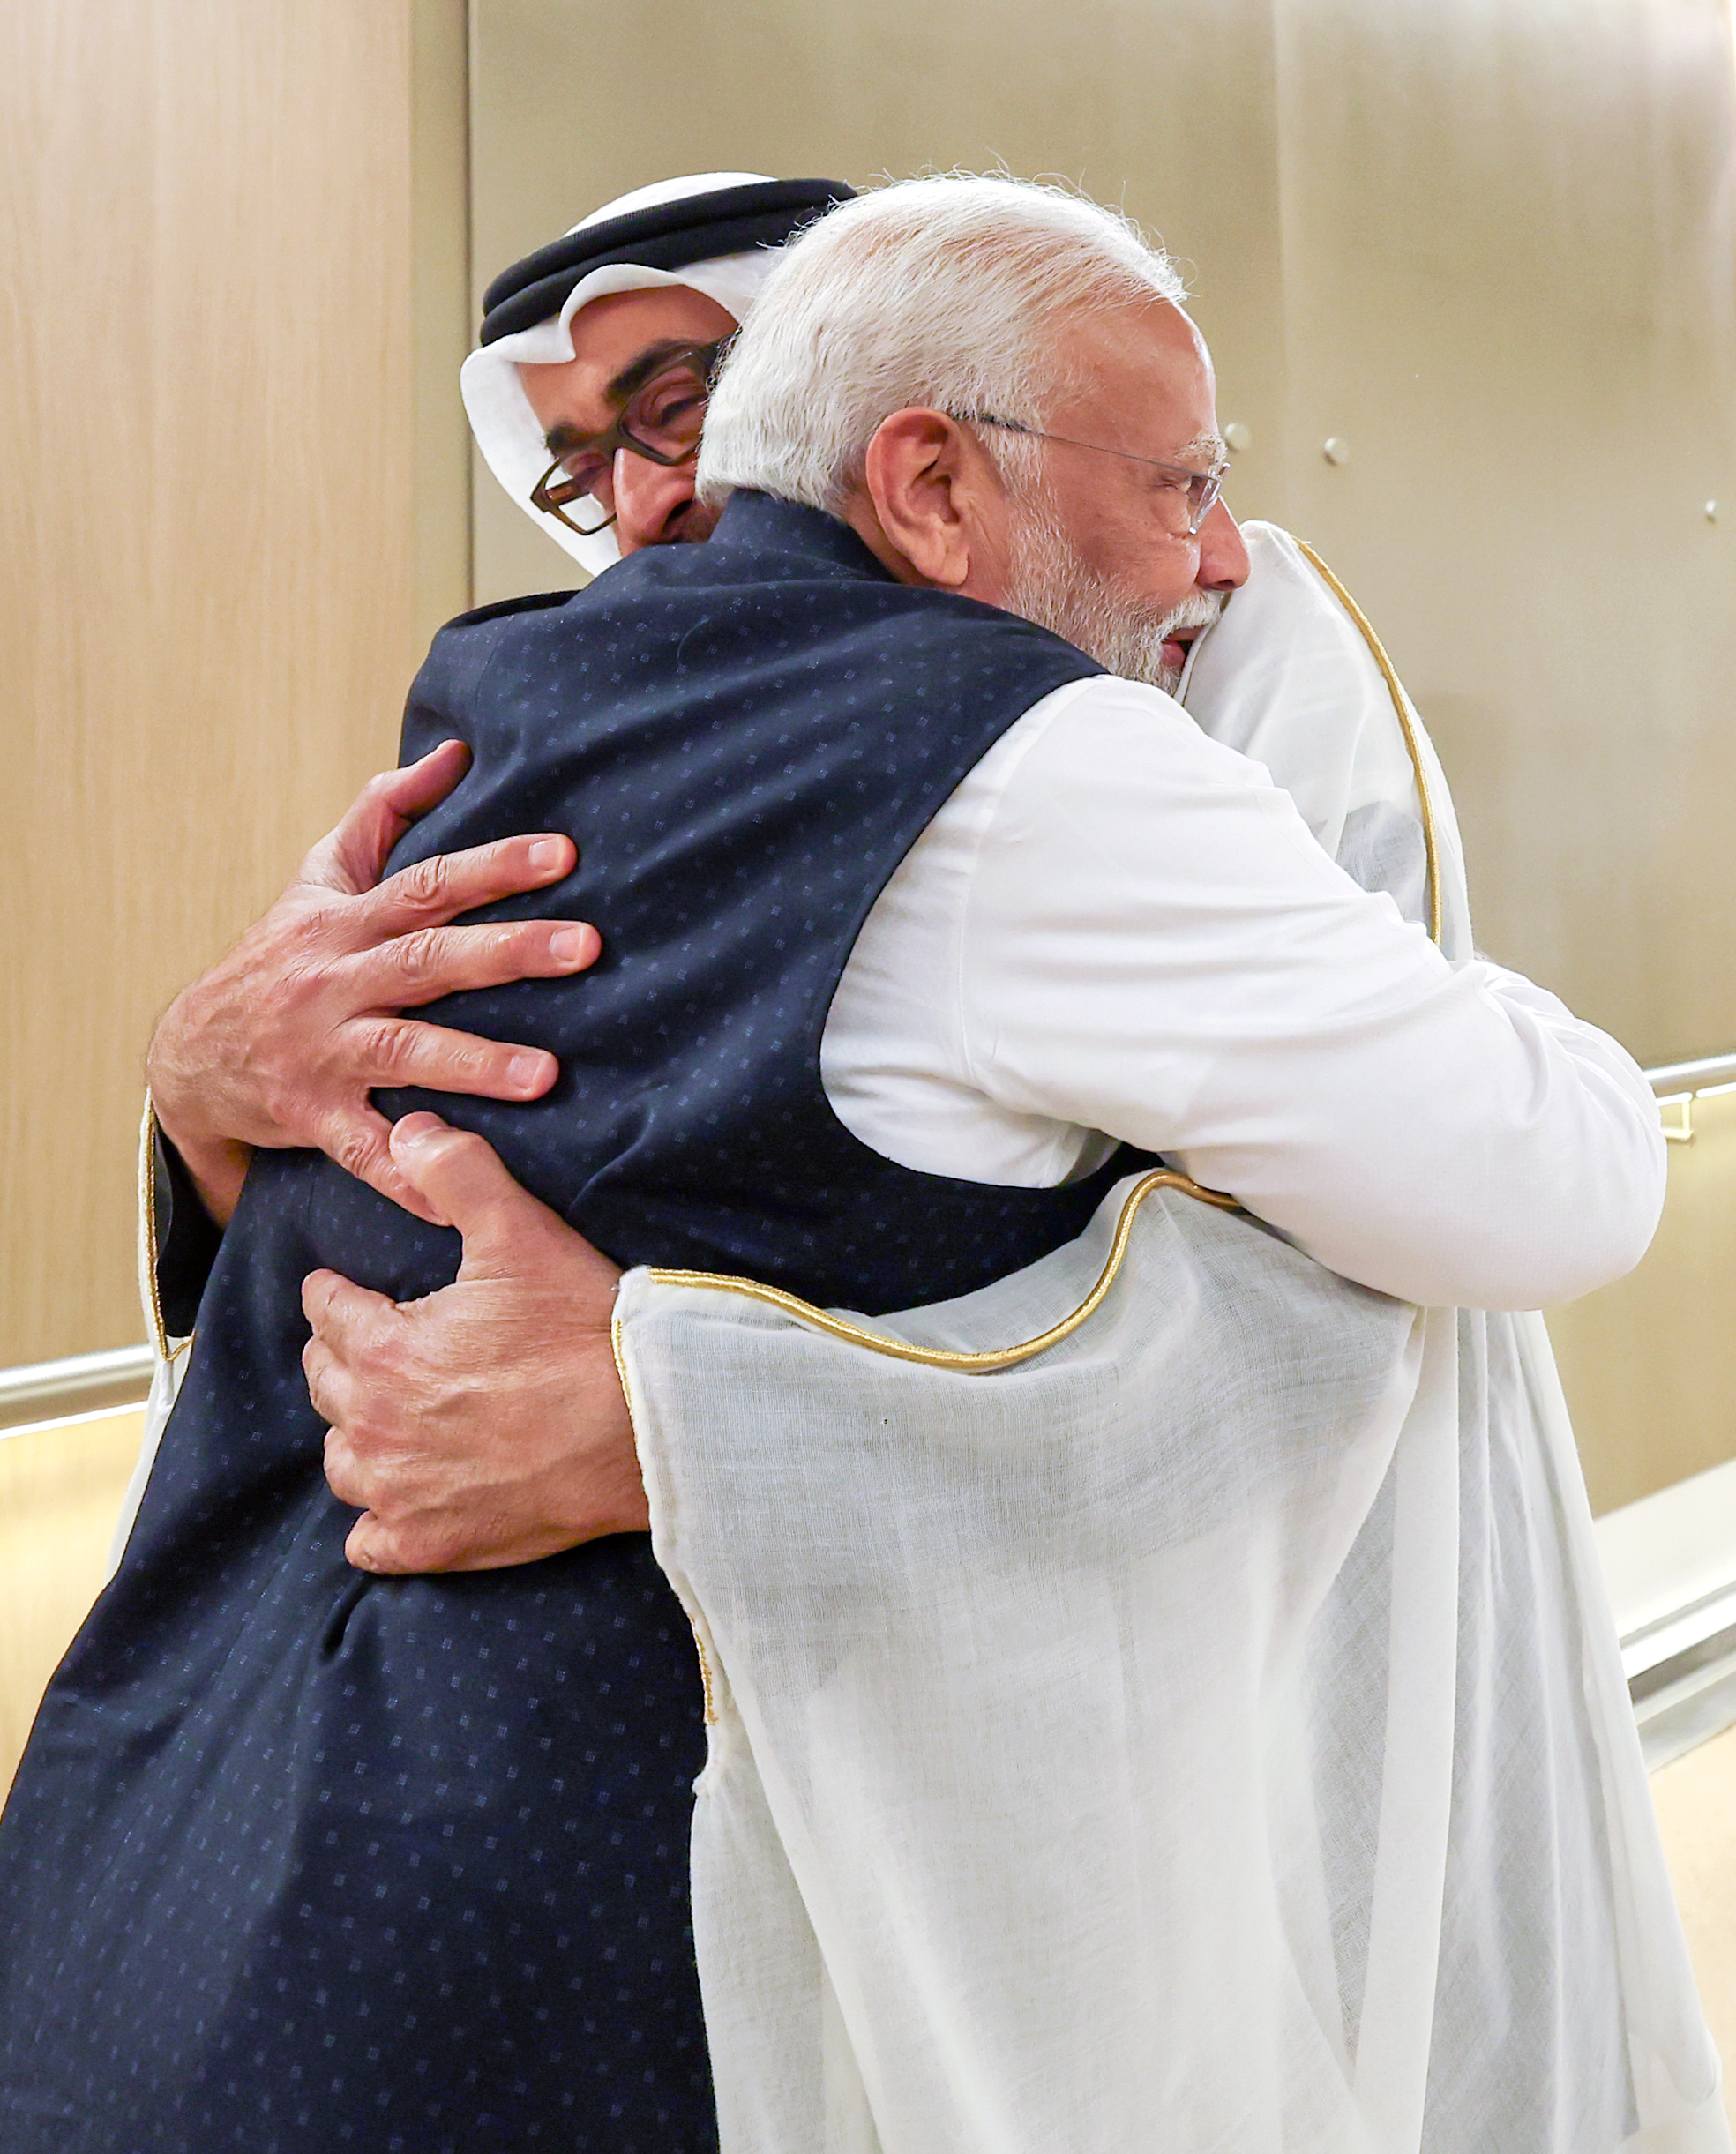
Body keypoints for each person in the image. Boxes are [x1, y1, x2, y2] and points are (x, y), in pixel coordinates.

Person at [0, 174, 1713, 2154]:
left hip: (164, 1871)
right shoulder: (614, 717)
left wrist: (690, 1400)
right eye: (589, 464)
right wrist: (200, 1088)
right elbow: (370, 1247)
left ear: (892, 450)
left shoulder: (1176, 666)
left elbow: (1341, 1268)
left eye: (685, 410)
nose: (659, 500)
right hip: (493, 1923)